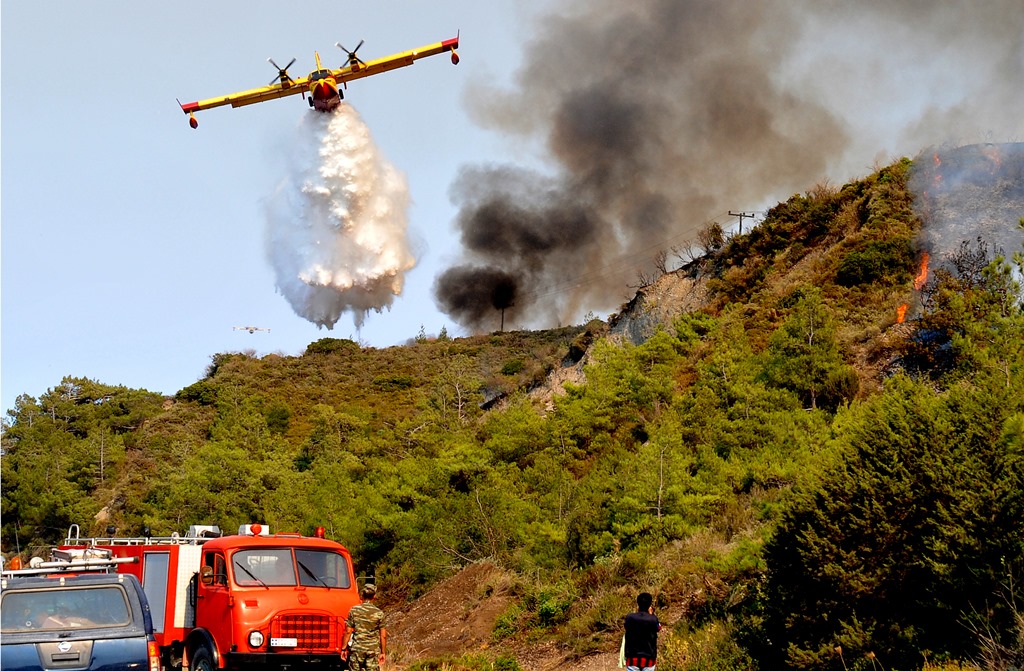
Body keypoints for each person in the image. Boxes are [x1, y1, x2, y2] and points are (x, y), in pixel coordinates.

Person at [344, 583, 387, 671]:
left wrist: (343, 649)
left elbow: (348, 632)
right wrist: (383, 652)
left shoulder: (354, 610)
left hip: (357, 649)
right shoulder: (379, 613)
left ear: (362, 595)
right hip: (372, 650)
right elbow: (383, 636)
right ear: (374, 596)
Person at [623, 592, 661, 671]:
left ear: (638, 603)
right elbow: (658, 628)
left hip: (632, 658)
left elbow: (626, 626)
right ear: (650, 605)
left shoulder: (629, 618)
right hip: (649, 658)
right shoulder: (653, 619)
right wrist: (651, 614)